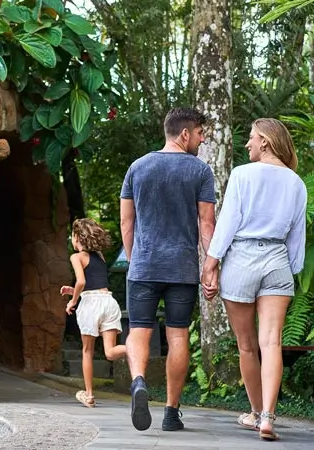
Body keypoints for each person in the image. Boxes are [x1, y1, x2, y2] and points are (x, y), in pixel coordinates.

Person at [201, 118, 306, 442]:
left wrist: (210, 264)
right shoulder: (296, 183)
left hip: (242, 259)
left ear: (265, 141)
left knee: (247, 346)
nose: (247, 144)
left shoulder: (243, 175)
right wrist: (290, 269)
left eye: (251, 138)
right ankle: (268, 419)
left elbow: (229, 221)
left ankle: (256, 412)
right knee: (272, 342)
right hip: (277, 261)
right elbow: (297, 239)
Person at [119, 107, 216, 432]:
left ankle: (138, 382)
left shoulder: (138, 167)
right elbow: (206, 223)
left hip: (144, 267)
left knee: (139, 330)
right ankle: (171, 412)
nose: (203, 139)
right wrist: (210, 266)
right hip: (181, 270)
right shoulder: (200, 171)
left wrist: (135, 260)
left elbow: (126, 221)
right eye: (200, 133)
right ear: (185, 133)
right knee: (177, 335)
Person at [61, 218, 127, 408]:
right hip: (109, 302)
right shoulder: (99, 255)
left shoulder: (76, 257)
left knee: (87, 351)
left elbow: (81, 282)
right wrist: (72, 291)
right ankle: (135, 349)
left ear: (76, 237)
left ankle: (89, 395)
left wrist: (72, 301)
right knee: (110, 352)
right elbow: (94, 283)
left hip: (91, 305)